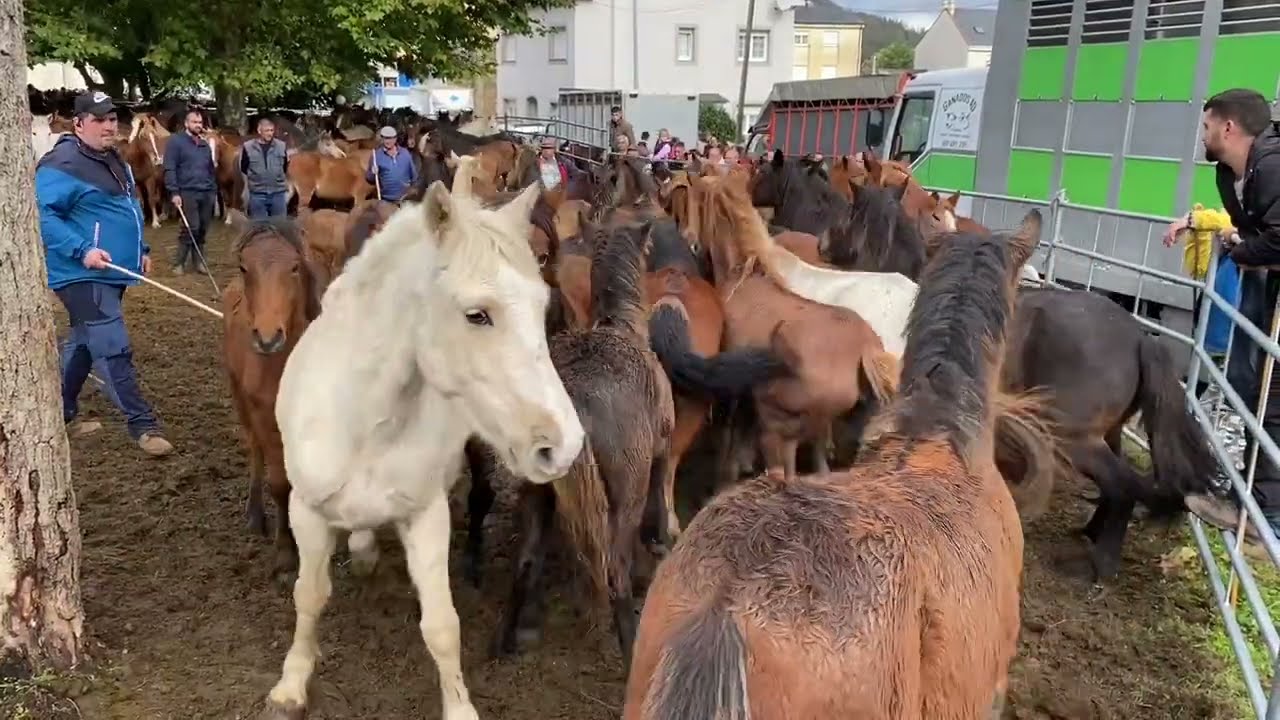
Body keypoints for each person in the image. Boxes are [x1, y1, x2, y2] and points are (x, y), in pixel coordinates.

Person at [1162, 88, 1280, 539]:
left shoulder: (1271, 167)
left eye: (1207, 125)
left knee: (1273, 397)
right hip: (1262, 289)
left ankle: (1268, 515)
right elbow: (1251, 230)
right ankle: (1252, 497)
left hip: (1271, 290)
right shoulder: (1228, 175)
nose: (1203, 134)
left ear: (1228, 127)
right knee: (1253, 389)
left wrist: (1243, 250)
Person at [35, 91, 174, 457]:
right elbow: (41, 215)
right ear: (79, 124)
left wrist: (140, 249)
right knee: (112, 345)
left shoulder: (114, 158)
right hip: (80, 273)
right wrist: (82, 250)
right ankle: (142, 425)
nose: (110, 125)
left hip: (112, 271)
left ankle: (61, 411)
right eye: (100, 119)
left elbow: (129, 208)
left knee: (83, 342)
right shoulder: (60, 164)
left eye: (113, 118)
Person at [165, 109, 217, 274]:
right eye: (195, 122)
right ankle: (179, 263)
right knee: (191, 226)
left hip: (207, 191)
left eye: (200, 122)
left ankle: (199, 261)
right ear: (187, 123)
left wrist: (213, 189)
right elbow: (169, 167)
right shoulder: (176, 141)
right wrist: (174, 192)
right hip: (187, 191)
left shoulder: (204, 144)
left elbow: (210, 168)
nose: (198, 125)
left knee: (202, 228)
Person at [239, 117, 290, 219]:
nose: (270, 133)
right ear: (259, 131)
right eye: (267, 130)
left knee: (280, 228)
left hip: (278, 194)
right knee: (260, 229)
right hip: (257, 195)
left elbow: (285, 166)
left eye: (272, 130)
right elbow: (244, 167)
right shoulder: (248, 147)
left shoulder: (281, 146)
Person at [366, 126, 417, 203]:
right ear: (382, 139)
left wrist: (412, 191)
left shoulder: (405, 153)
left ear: (395, 139)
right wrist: (372, 173)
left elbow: (414, 176)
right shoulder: (376, 156)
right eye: (385, 138)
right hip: (387, 200)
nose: (387, 141)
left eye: (390, 138)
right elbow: (369, 179)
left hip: (406, 199)